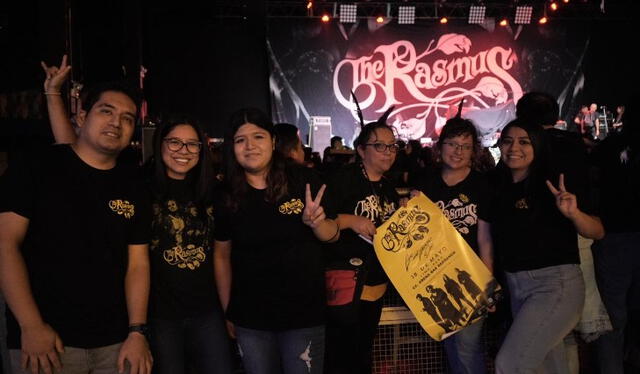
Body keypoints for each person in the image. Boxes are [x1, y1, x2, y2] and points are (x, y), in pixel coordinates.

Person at [40, 57, 234, 373]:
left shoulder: (215, 195)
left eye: (191, 145)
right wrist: (53, 96)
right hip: (159, 315)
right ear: (160, 146)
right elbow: (72, 154)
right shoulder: (138, 185)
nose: (183, 151)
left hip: (207, 313)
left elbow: (222, 259)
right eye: (174, 142)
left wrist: (228, 312)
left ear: (202, 151)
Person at [0, 81, 153, 374]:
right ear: (82, 117)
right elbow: (6, 245)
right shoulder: (36, 167)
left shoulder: (134, 186)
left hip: (116, 342)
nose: (116, 123)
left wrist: (137, 332)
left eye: (127, 118)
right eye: (106, 111)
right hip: (47, 343)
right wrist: (31, 325)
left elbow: (138, 264)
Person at [213, 108, 339, 374]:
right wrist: (229, 311)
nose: (250, 146)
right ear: (232, 148)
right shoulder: (225, 195)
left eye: (258, 137)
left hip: (303, 315)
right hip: (251, 319)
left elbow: (332, 234)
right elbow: (222, 255)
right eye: (240, 140)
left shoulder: (302, 180)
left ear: (272, 141)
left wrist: (318, 223)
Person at [491, 119, 604, 373]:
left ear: (538, 146)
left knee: (510, 364)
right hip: (518, 288)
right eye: (507, 141)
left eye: (524, 142)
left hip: (554, 287)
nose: (514, 148)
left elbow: (597, 231)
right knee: (548, 367)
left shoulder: (553, 185)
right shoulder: (499, 184)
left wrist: (573, 213)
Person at [413, 117, 494, 374]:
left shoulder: (482, 185)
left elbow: (485, 239)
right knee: (452, 348)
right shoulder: (426, 181)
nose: (457, 152)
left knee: (467, 349)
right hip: (435, 279)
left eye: (465, 146)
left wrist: (487, 284)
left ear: (474, 151)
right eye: (452, 144)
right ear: (440, 146)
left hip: (470, 279)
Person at [323, 117, 400, 374]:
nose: (388, 152)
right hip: (347, 282)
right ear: (361, 150)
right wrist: (351, 220)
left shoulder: (389, 186)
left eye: (392, 146)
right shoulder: (342, 180)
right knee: (341, 355)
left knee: (364, 351)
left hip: (377, 281)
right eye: (380, 146)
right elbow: (321, 223)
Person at [590, 100, 640, 373]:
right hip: (619, 236)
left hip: (614, 235)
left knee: (612, 316)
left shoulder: (608, 146)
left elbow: (594, 182)